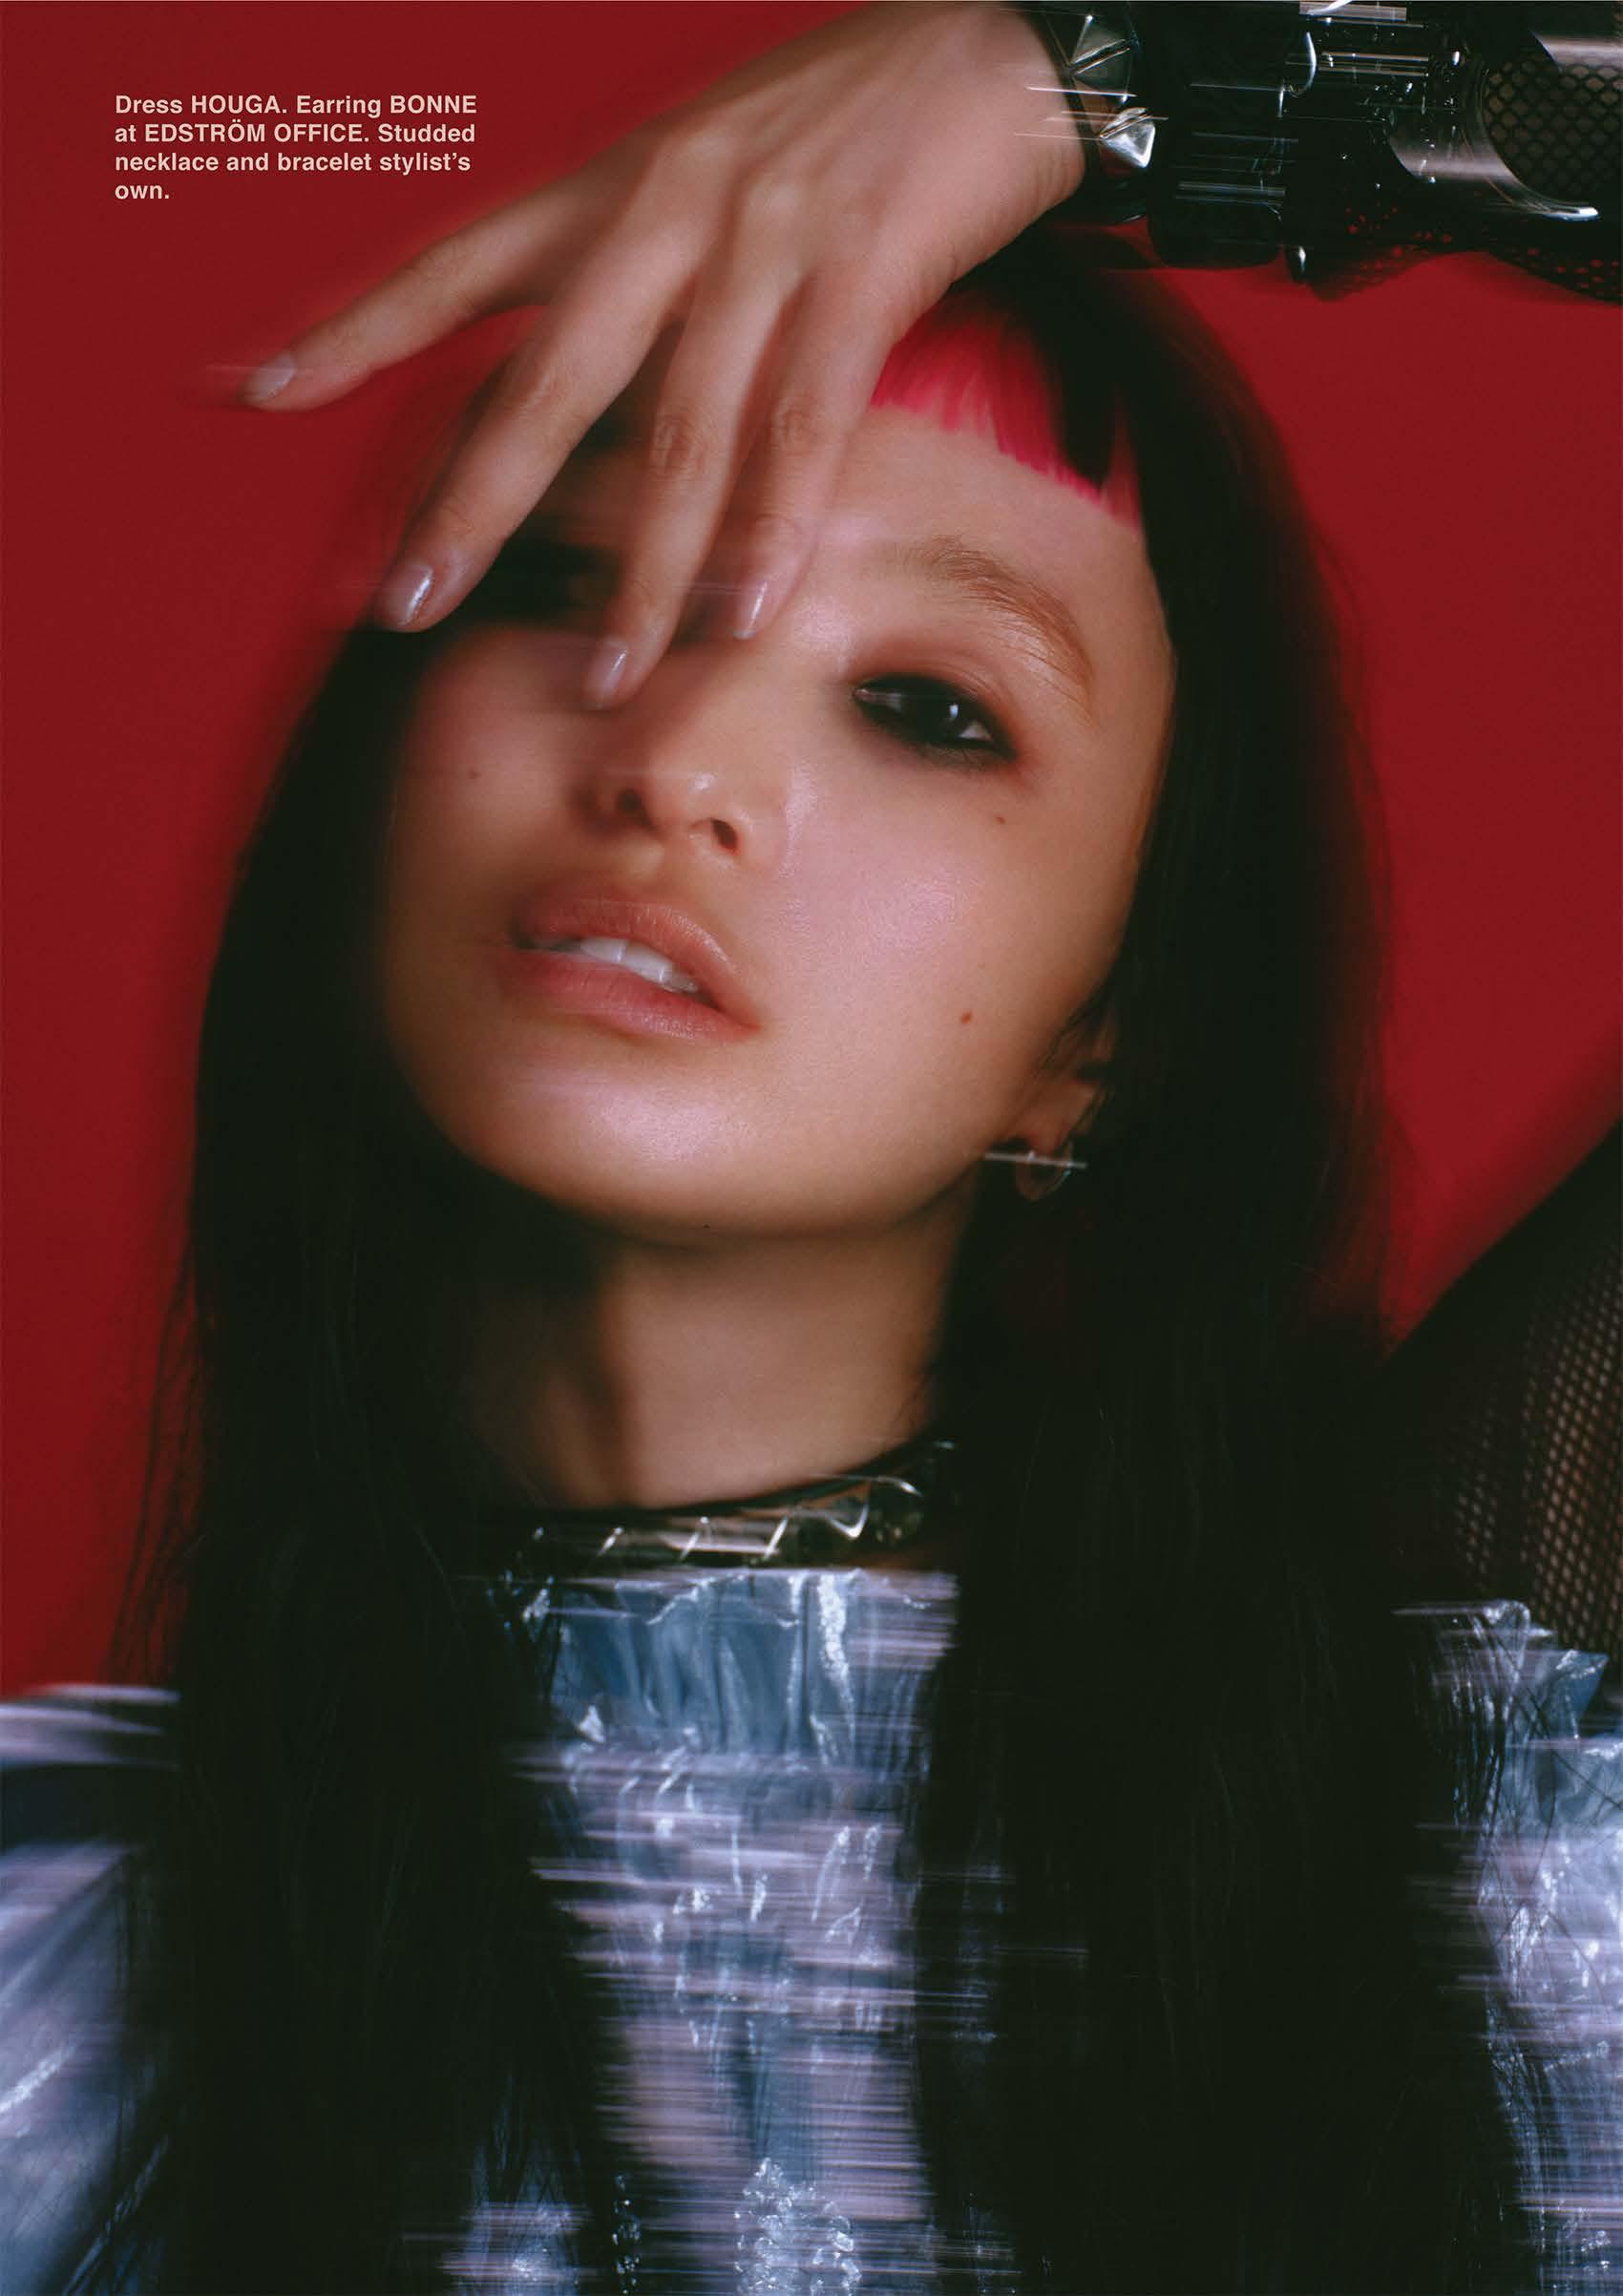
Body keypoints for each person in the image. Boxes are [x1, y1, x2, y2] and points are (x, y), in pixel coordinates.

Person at [3, 10, 1617, 2294]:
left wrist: (1098, 83)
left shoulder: (1492, 1827)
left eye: (924, 706)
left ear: (1107, 1040)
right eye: (571, 583)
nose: (675, 760)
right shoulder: (58, 1966)